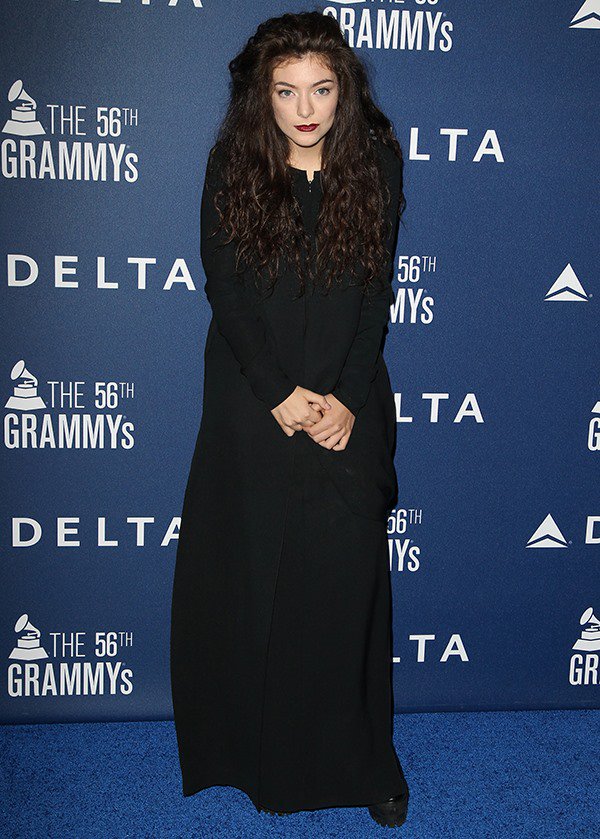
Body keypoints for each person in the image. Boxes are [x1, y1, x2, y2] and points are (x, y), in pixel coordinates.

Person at [170, 10, 410, 829]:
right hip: (252, 399)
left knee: (348, 588)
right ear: (261, 96)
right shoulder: (231, 166)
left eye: (321, 88)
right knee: (253, 577)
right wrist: (278, 394)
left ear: (344, 92)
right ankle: (249, 755)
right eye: (285, 90)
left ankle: (368, 760)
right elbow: (227, 292)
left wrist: (343, 396)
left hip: (347, 400)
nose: (304, 108)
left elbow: (377, 293)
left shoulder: (375, 165)